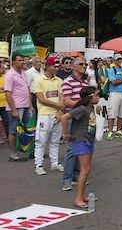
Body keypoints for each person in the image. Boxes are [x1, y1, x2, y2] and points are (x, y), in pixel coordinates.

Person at [60, 86, 99, 209]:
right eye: (96, 95)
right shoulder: (81, 108)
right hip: (81, 140)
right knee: (85, 169)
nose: (98, 97)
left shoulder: (90, 108)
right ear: (90, 97)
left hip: (89, 139)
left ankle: (82, 195)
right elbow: (64, 117)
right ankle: (78, 198)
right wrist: (66, 133)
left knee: (87, 169)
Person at [60, 56, 91, 191]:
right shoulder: (68, 82)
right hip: (72, 117)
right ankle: (67, 179)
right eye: (80, 64)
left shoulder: (86, 82)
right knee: (72, 150)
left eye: (85, 64)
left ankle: (77, 176)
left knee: (81, 149)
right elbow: (66, 101)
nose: (84, 66)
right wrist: (83, 106)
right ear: (73, 66)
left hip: (83, 119)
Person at [32, 56, 64, 175]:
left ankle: (54, 162)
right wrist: (58, 106)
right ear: (47, 67)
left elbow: (62, 97)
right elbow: (41, 99)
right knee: (41, 141)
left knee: (55, 141)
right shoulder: (39, 80)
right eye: (54, 66)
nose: (56, 68)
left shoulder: (59, 81)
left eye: (57, 66)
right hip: (44, 114)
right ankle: (38, 164)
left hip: (56, 114)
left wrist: (59, 112)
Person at [4, 54, 33, 161]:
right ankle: (13, 154)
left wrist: (30, 105)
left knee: (27, 129)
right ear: (13, 62)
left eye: (23, 60)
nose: (22, 62)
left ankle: (26, 150)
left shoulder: (24, 74)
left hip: (26, 106)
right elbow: (8, 93)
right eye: (19, 60)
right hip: (16, 107)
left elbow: (27, 90)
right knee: (13, 130)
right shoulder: (10, 75)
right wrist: (13, 109)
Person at [106, 53, 122, 140]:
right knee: (112, 112)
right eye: (118, 59)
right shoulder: (111, 70)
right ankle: (110, 131)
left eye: (121, 59)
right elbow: (114, 82)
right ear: (115, 61)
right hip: (114, 93)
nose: (120, 60)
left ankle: (119, 130)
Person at [0, 62, 8, 145]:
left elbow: (7, 88)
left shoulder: (5, 77)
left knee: (6, 122)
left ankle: (7, 138)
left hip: (4, 105)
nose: (3, 70)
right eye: (2, 68)